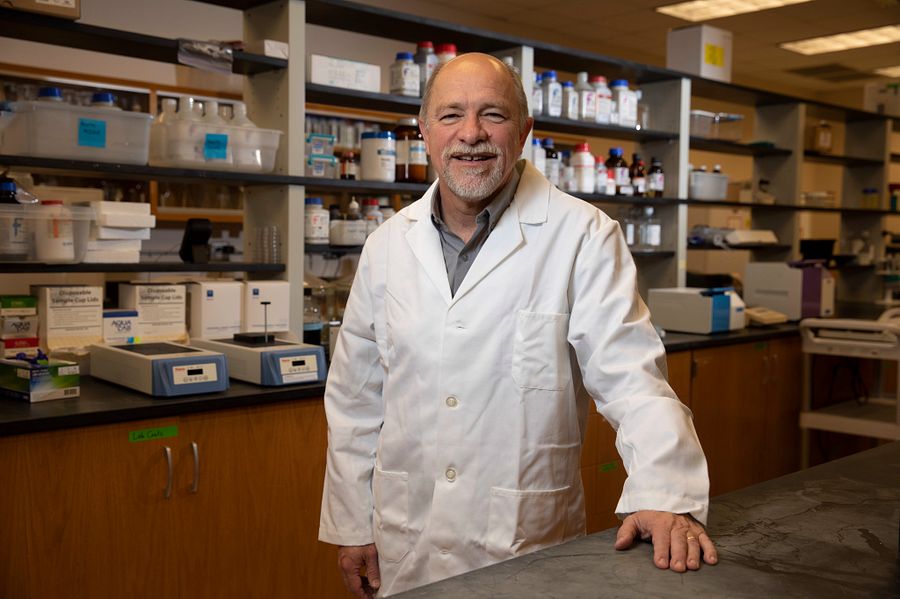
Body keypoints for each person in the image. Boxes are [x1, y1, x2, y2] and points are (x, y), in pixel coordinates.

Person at [319, 53, 717, 598]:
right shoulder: (387, 244)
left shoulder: (582, 235)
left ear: (525, 130)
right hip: (405, 538)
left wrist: (666, 493)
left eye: (494, 115)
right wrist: (351, 524)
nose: (471, 135)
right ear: (425, 131)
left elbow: (630, 375)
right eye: (451, 115)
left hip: (525, 543)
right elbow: (355, 400)